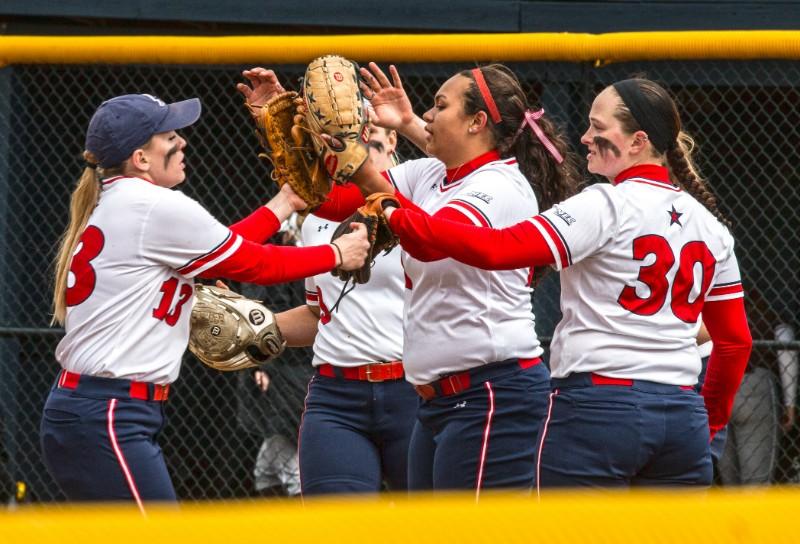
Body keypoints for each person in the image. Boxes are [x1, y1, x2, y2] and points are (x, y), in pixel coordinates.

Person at [377, 77, 753, 489]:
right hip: (681, 416)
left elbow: (496, 249)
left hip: (597, 410)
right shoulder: (710, 226)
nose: (586, 136)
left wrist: (394, 213)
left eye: (598, 126)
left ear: (637, 141)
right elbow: (734, 343)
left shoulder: (605, 203)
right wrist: (709, 429)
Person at [41, 93, 369, 512]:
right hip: (108, 413)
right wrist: (337, 255)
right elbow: (253, 264)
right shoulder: (152, 206)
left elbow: (222, 247)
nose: (183, 143)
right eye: (170, 136)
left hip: (94, 409)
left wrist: (284, 202)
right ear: (141, 158)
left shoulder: (119, 201)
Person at [305, 62, 581, 493]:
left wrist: (363, 170)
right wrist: (297, 141)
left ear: (477, 122)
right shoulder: (432, 173)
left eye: (440, 105)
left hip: (493, 391)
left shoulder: (500, 183)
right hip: (440, 398)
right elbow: (333, 202)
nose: (428, 115)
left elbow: (432, 241)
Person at [240, 68, 417, 495]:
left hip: (412, 388)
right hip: (336, 394)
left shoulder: (421, 187)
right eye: (345, 143)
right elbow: (323, 314)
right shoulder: (319, 212)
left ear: (392, 140)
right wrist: (260, 329)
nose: (358, 157)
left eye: (370, 142)